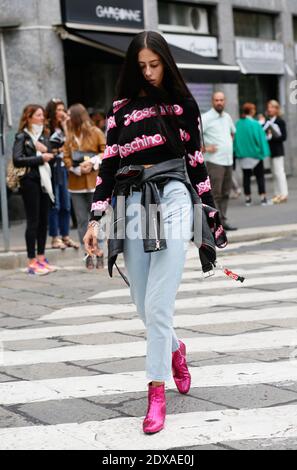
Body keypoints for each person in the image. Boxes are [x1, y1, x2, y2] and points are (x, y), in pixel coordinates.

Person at [83, 31, 217, 434]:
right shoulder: (120, 110)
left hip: (172, 196)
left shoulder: (184, 104)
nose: (148, 72)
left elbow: (196, 165)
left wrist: (211, 221)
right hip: (128, 204)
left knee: (159, 304)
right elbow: (108, 168)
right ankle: (175, 349)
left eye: (154, 64)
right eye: (141, 65)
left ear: (166, 62)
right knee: (142, 302)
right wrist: (95, 220)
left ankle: (155, 393)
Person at [12, 104, 56, 274]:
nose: (42, 118)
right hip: (30, 182)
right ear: (28, 117)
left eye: (42, 115)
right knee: (33, 221)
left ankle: (41, 258)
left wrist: (47, 153)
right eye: (38, 115)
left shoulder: (44, 137)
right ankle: (31, 261)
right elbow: (17, 159)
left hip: (45, 182)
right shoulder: (22, 137)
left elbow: (51, 157)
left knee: (43, 221)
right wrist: (40, 158)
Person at [63, 103, 106, 269]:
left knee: (96, 220)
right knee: (81, 220)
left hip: (95, 184)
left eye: (69, 116)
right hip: (76, 184)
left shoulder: (95, 132)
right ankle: (88, 252)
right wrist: (75, 168)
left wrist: (93, 163)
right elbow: (66, 156)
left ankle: (99, 249)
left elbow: (105, 150)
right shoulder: (70, 135)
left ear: (75, 117)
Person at [45, 98, 79, 250]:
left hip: (64, 168)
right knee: (55, 204)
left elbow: (73, 146)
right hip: (52, 169)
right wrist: (60, 150)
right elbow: (47, 149)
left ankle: (65, 236)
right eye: (58, 110)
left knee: (66, 204)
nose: (61, 113)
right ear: (52, 112)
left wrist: (66, 126)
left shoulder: (65, 127)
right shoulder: (47, 129)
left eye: (62, 109)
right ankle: (54, 237)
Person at [201, 92, 237, 231]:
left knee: (226, 193)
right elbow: (194, 137)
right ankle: (215, 223)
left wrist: (228, 144)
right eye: (216, 100)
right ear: (212, 101)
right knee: (215, 193)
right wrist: (204, 148)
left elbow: (233, 132)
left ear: (225, 101)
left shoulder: (227, 116)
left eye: (221, 100)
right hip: (214, 161)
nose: (219, 102)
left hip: (228, 160)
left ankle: (223, 220)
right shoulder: (206, 118)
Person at [234, 102, 270, 206]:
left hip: (243, 155)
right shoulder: (255, 124)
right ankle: (263, 198)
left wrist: (237, 152)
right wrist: (264, 151)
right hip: (256, 154)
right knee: (260, 176)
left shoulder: (238, 124)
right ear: (252, 111)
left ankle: (248, 198)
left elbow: (235, 140)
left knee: (246, 177)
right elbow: (261, 139)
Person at [263, 100, 288, 204]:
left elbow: (284, 137)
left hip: (278, 151)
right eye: (268, 107)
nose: (270, 109)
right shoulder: (267, 121)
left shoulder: (280, 121)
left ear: (277, 109)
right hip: (271, 151)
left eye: (272, 107)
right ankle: (277, 194)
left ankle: (284, 194)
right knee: (274, 173)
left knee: (279, 173)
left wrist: (272, 136)